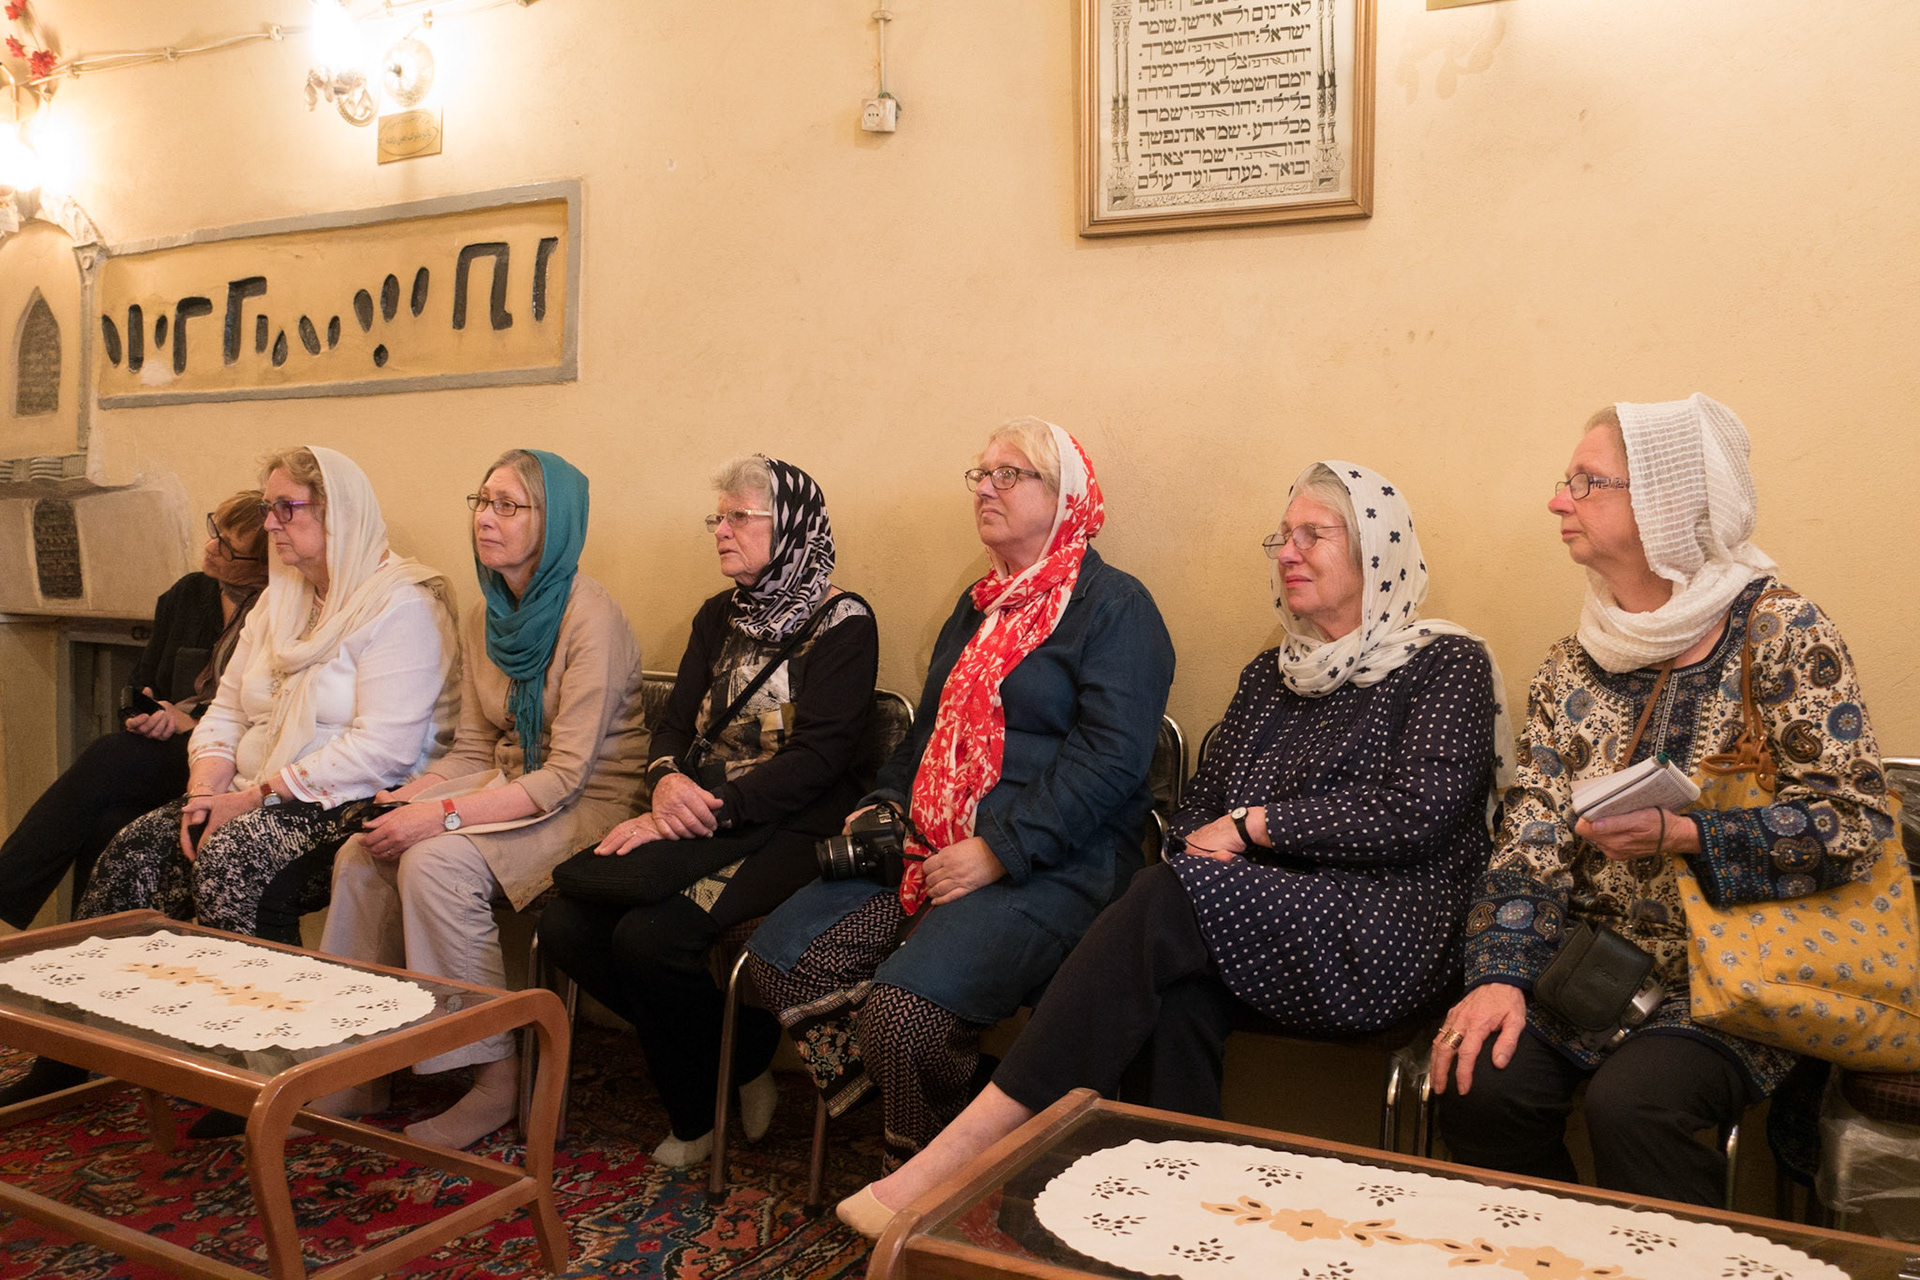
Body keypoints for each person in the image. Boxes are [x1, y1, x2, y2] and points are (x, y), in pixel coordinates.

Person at [834, 459, 1510, 1236]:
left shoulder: (1446, 663)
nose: (1287, 552)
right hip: (1256, 922)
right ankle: (1177, 1218)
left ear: (1377, 552)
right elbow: (1196, 815)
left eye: (1313, 535)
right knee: (1170, 985)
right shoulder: (1271, 676)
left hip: (1382, 929)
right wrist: (1220, 845)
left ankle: (970, 1152)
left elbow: (1418, 811)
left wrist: (1258, 830)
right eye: (1281, 537)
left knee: (1163, 896)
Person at [1431, 395, 1894, 1207]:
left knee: (1637, 1103)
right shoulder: (1571, 663)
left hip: (1731, 975)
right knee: (1481, 1080)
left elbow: (1857, 822)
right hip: (1592, 967)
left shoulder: (1782, 635)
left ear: (1668, 508)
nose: (1556, 500)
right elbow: (1528, 838)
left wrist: (1686, 832)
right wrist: (1499, 976)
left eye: (1587, 482)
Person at [746, 418, 1175, 1177]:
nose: (985, 488)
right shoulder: (977, 605)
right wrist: (884, 800)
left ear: (1064, 495)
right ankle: (974, 1124)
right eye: (979, 474)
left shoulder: (1116, 609)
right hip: (933, 843)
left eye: (1009, 474)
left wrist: (998, 851)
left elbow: (1110, 765)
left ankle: (929, 1177)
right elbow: (928, 735)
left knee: (904, 1017)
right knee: (779, 960)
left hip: (1057, 866)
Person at [0, 446, 460, 1114]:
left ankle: (271, 1072)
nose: (271, 523)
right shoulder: (280, 602)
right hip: (244, 790)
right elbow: (225, 712)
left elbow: (384, 748)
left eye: (286, 508)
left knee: (233, 860)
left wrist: (248, 798)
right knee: (133, 850)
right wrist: (204, 792)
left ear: (339, 517)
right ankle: (75, 1051)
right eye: (268, 505)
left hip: (347, 797)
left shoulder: (401, 607)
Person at [537, 455, 877, 1166]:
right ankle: (745, 1058)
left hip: (788, 821)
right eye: (716, 518)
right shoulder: (716, 614)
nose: (721, 531)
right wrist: (664, 783)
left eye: (739, 517)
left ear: (789, 527)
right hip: (695, 809)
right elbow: (675, 728)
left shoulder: (845, 623)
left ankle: (696, 1115)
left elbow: (821, 761)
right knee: (567, 922)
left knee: (650, 940)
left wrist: (706, 810)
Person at [321, 449, 646, 1150]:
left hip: (592, 797)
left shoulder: (593, 620)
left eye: (508, 506)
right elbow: (473, 749)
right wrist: (398, 801)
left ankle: (495, 1079)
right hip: (508, 777)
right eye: (481, 501)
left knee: (436, 863)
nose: (486, 518)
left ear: (552, 523)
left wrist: (439, 816)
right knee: (361, 852)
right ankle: (359, 1058)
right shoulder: (485, 615)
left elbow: (565, 776)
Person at [0, 492, 269, 929]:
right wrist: (147, 714)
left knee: (109, 755)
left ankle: (7, 893)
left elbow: (269, 716)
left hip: (225, 761)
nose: (209, 548)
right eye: (213, 532)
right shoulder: (187, 594)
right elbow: (142, 683)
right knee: (110, 820)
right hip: (164, 750)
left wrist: (192, 724)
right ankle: (86, 946)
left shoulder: (279, 613)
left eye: (226, 547)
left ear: (264, 567)